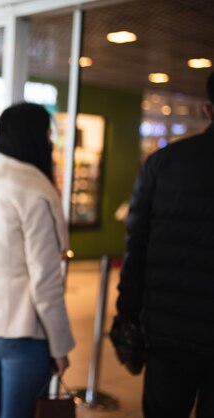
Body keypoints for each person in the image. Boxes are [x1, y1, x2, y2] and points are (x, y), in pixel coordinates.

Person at [0, 102, 75, 418]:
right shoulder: (37, 192)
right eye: (49, 133)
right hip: (22, 327)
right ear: (36, 138)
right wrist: (60, 346)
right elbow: (45, 280)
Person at [114, 71, 214, 418]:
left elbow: (136, 247)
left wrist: (126, 314)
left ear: (207, 110)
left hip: (168, 334)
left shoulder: (162, 164)